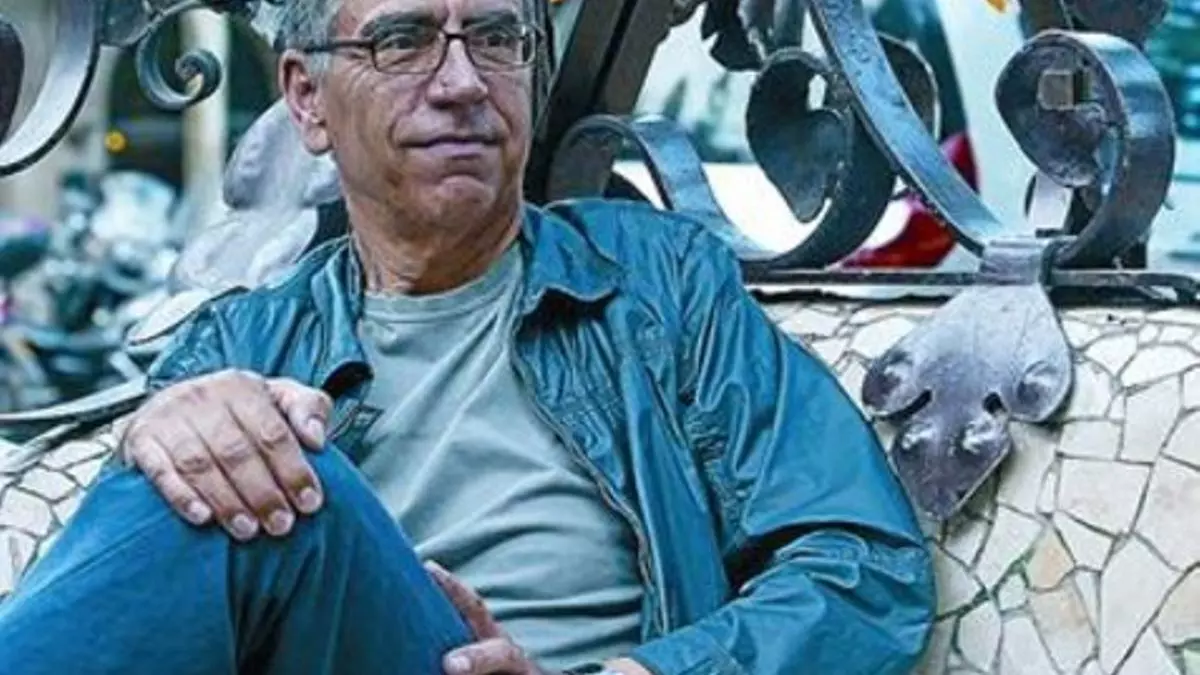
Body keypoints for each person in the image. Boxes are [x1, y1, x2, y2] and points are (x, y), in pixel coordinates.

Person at [0, 0, 935, 673]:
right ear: (307, 98)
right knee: (228, 445)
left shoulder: (658, 284)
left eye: (494, 38)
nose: (461, 83)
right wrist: (159, 425)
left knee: (272, 461)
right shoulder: (243, 343)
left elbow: (862, 565)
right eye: (403, 39)